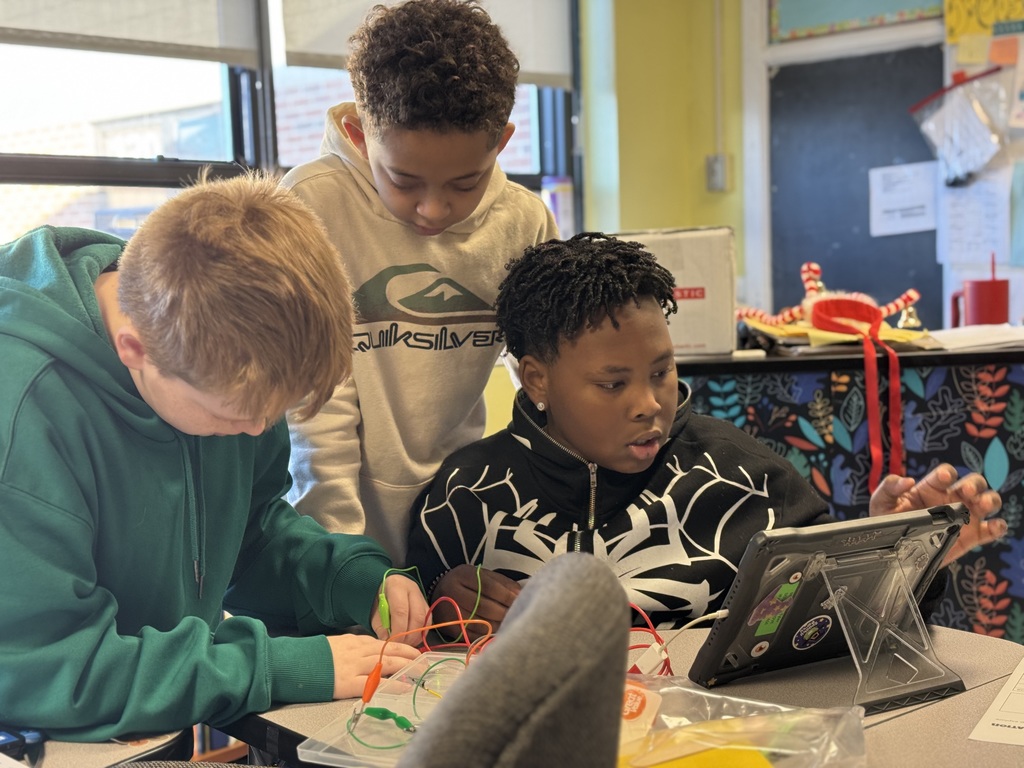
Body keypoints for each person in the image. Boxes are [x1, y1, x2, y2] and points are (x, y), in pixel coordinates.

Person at [0, 171, 428, 742]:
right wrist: (276, 666)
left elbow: (244, 541)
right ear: (135, 351)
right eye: (232, 416)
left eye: (272, 413)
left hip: (150, 719)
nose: (255, 430)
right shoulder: (23, 409)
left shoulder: (206, 344)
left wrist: (342, 577)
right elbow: (46, 668)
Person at [405, 232, 1006, 633]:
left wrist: (903, 556)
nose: (649, 405)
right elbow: (405, 639)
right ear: (536, 379)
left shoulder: (746, 476)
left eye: (662, 372)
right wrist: (437, 602)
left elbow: (842, 622)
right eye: (613, 385)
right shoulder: (465, 494)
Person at [280, 0, 559, 564]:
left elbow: (549, 378)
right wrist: (343, 566)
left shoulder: (524, 222)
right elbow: (316, 414)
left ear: (501, 143)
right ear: (360, 134)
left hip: (462, 513)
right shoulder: (310, 205)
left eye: (465, 182)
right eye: (403, 180)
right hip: (330, 526)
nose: (433, 210)